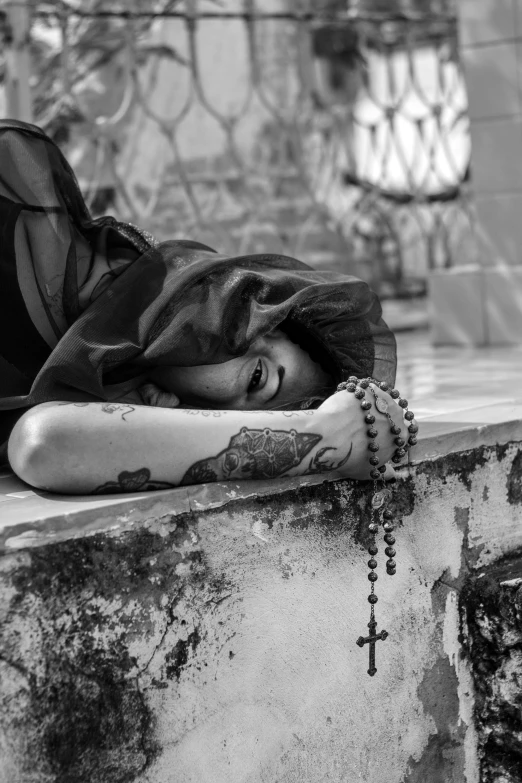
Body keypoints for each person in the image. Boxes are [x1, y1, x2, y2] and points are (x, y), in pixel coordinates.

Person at [0, 120, 407, 495]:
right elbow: (41, 442)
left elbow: (49, 444)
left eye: (257, 382)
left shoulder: (102, 373)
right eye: (269, 315)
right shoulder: (27, 214)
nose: (250, 329)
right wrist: (324, 435)